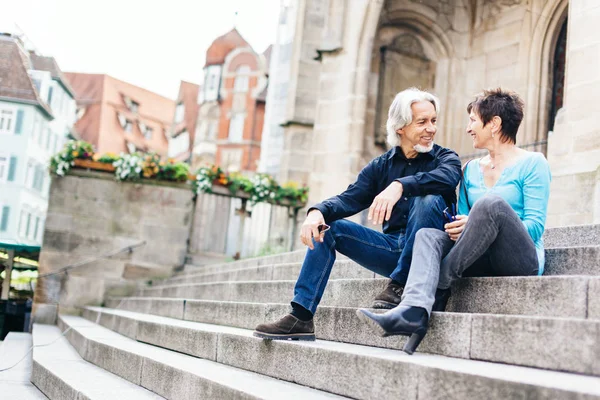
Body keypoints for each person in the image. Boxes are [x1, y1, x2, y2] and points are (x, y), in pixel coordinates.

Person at [253, 87, 462, 340]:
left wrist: (400, 185)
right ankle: (301, 316)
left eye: (433, 121)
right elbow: (349, 198)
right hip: (393, 248)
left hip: (429, 255)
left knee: (428, 198)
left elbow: (449, 178)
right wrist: (316, 212)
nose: (431, 128)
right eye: (422, 122)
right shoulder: (381, 166)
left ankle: (400, 284)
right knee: (329, 228)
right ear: (400, 128)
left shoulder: (445, 158)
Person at [356, 88, 552, 354]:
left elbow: (535, 227)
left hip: (518, 259)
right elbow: (461, 224)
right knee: (427, 235)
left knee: (490, 204)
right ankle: (413, 311)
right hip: (477, 258)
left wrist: (476, 222)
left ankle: (440, 283)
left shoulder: (533, 163)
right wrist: (462, 226)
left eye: (473, 120)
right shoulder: (470, 169)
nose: (468, 128)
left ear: (493, 124)